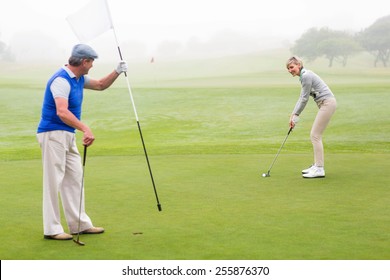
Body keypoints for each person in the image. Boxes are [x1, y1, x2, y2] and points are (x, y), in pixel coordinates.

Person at [37, 44, 128, 240]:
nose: (92, 66)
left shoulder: (78, 78)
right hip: (52, 133)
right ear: (84, 61)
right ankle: (52, 229)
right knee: (53, 181)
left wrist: (117, 71)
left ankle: (79, 224)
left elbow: (101, 85)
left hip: (67, 135)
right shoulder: (61, 80)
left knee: (75, 177)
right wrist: (85, 128)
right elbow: (62, 112)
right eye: (91, 62)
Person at [286, 56, 337, 178]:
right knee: (315, 135)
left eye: (292, 67)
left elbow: (304, 99)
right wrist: (293, 115)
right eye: (288, 68)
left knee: (315, 135)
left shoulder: (306, 76)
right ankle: (316, 165)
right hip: (325, 103)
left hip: (327, 103)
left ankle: (319, 169)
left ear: (299, 64)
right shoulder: (304, 76)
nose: (290, 70)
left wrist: (295, 115)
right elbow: (302, 97)